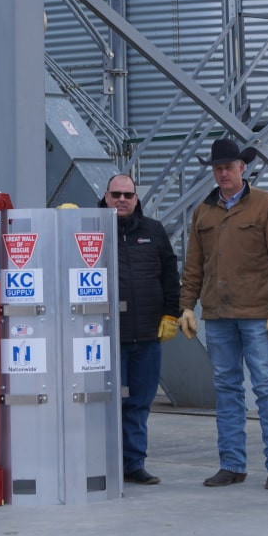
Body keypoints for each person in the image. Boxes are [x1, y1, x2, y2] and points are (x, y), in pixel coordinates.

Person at [178, 137, 268, 490]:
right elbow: (194, 265)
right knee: (226, 388)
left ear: (242, 168)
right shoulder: (203, 211)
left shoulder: (266, 204)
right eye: (217, 169)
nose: (223, 174)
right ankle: (231, 464)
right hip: (217, 315)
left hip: (258, 314)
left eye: (229, 167)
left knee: (266, 387)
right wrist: (186, 306)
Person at [102, 172, 180, 486]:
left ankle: (134, 464)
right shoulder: (91, 229)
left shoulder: (153, 231)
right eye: (116, 195)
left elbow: (170, 275)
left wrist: (171, 314)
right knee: (107, 404)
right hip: (107, 337)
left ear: (136, 199)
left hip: (147, 335)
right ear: (106, 197)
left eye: (128, 195)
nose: (122, 200)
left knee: (139, 403)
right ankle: (106, 464)